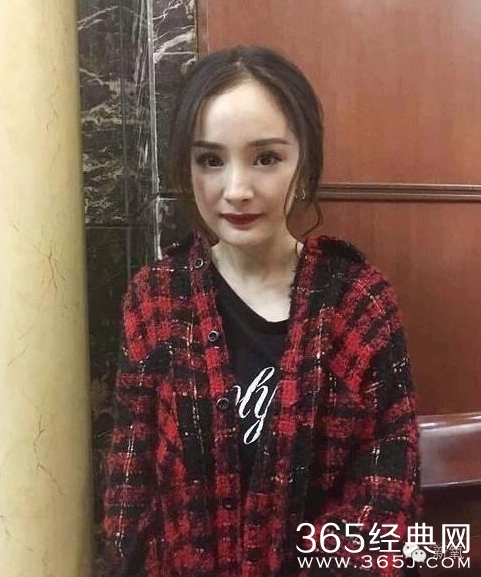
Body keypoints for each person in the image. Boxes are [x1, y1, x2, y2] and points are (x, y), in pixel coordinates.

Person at [103, 45, 421, 577]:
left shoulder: (358, 303)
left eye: (266, 158)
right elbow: (129, 488)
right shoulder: (156, 299)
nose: (237, 190)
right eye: (210, 160)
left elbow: (388, 492)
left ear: (304, 163)